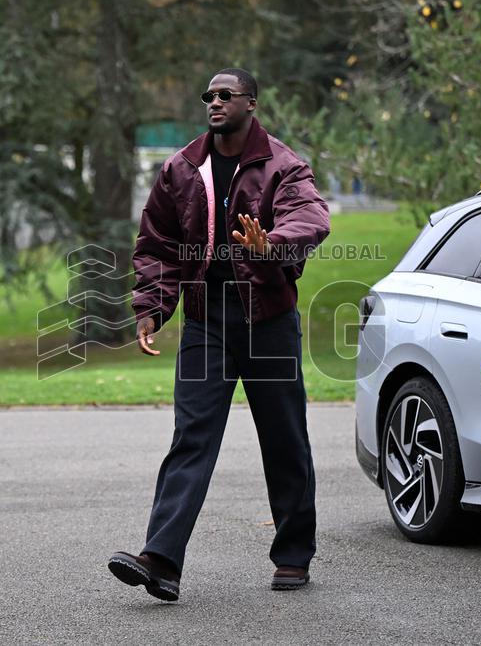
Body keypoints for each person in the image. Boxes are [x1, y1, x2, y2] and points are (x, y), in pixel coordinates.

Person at [107, 68, 330, 602]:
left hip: (268, 323)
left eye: (225, 95)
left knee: (284, 440)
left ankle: (293, 555)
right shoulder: (183, 167)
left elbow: (311, 217)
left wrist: (270, 245)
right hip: (207, 321)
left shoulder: (282, 164)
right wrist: (152, 306)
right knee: (192, 438)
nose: (214, 102)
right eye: (208, 95)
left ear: (250, 102)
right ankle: (160, 560)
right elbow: (157, 242)